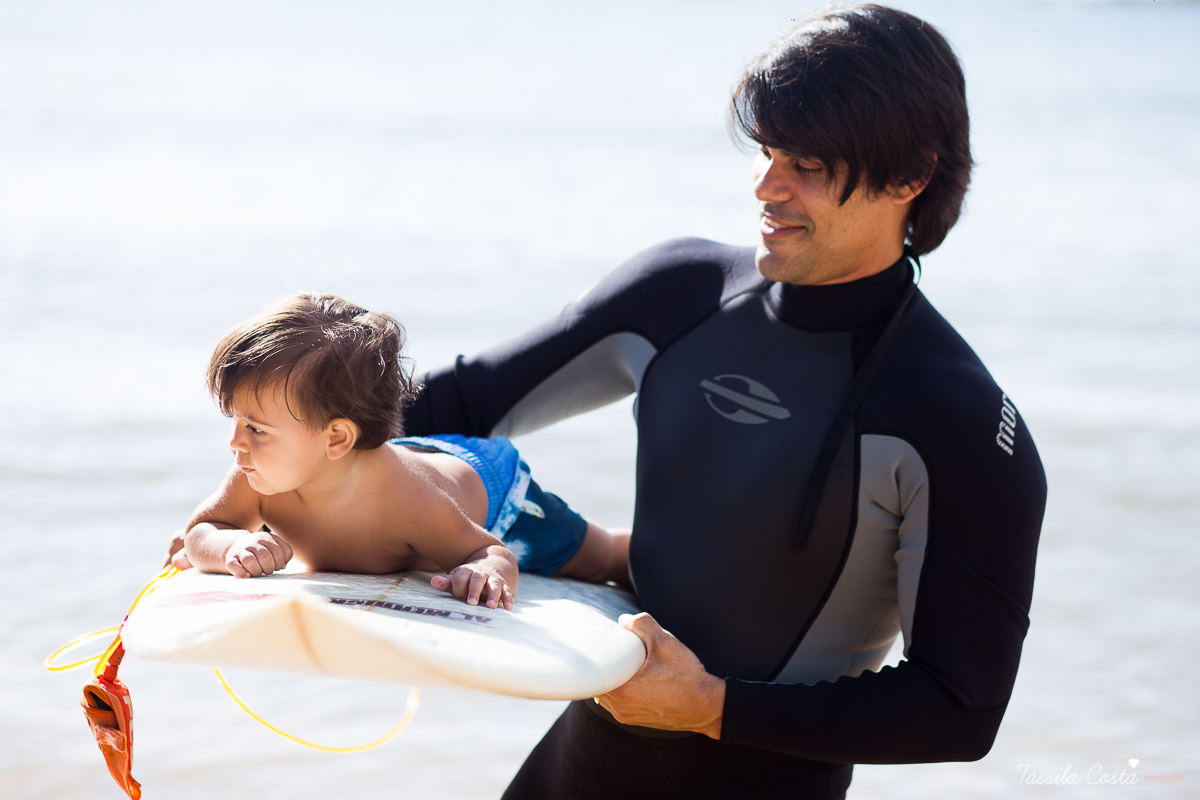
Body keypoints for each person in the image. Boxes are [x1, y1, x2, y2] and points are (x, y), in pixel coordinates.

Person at [401, 5, 1048, 798]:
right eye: (767, 151)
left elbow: (960, 707)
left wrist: (710, 707)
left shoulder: (953, 417)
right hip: (569, 771)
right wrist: (284, 464)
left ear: (911, 176)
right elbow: (457, 402)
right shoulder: (680, 294)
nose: (766, 187)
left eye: (808, 164)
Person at [168, 292, 630, 609]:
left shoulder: (406, 501)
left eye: (256, 429)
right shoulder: (255, 475)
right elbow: (201, 531)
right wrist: (230, 545)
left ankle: (646, 557)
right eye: (235, 422)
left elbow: (490, 551)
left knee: (599, 559)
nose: (235, 443)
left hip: (492, 491)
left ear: (336, 438)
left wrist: (485, 573)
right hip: (402, 456)